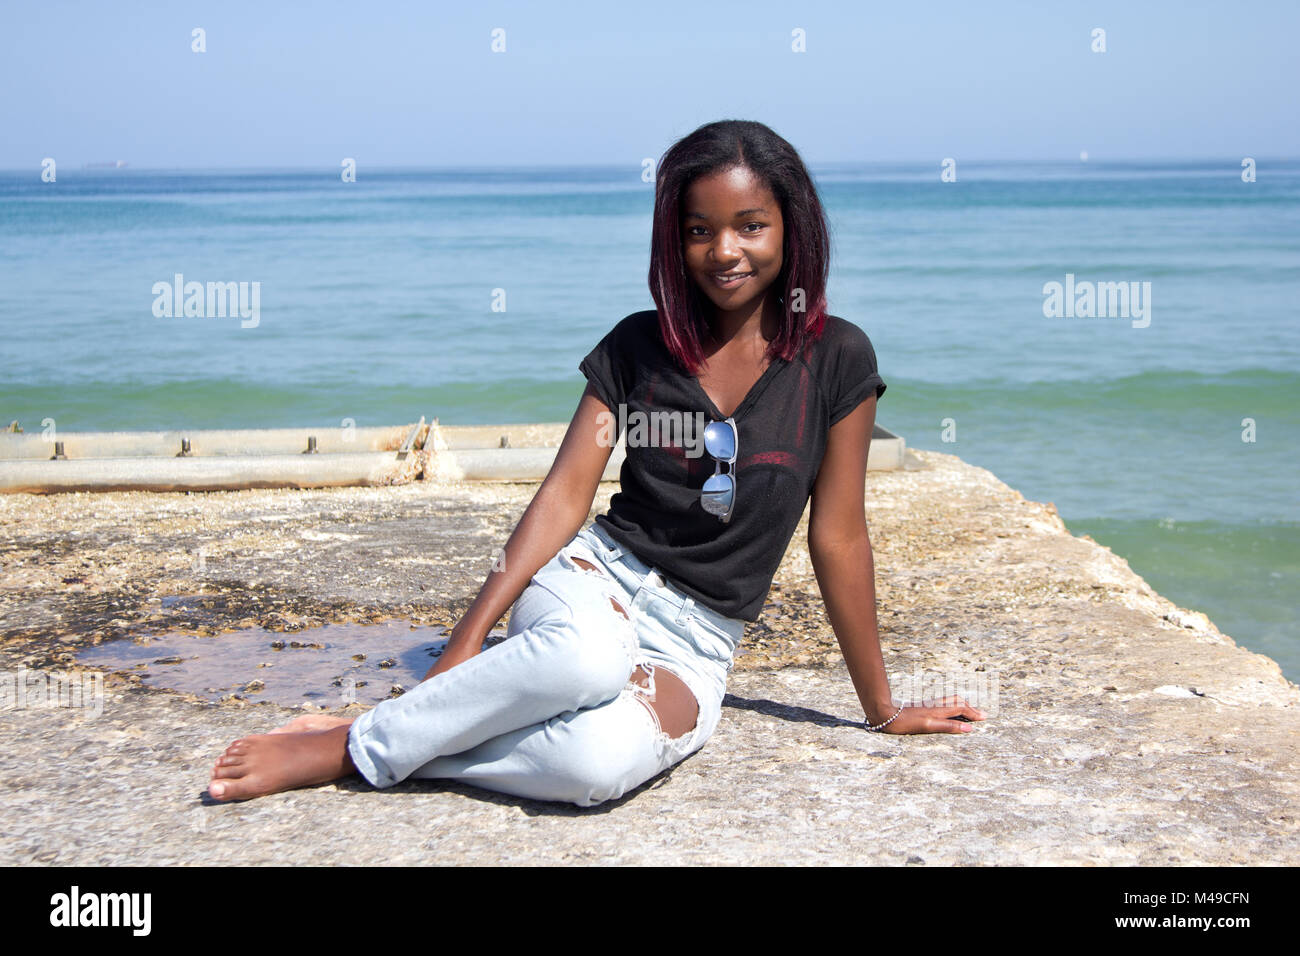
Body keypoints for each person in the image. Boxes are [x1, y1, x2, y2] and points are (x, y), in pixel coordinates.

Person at [207, 119, 987, 807]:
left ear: (791, 227)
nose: (725, 251)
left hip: (699, 641)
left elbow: (839, 538)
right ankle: (353, 747)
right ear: (673, 240)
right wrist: (463, 643)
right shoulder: (636, 346)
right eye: (699, 230)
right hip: (593, 589)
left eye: (750, 226)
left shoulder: (837, 358)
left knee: (592, 767)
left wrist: (880, 705)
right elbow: (563, 497)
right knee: (583, 659)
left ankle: (417, 743)